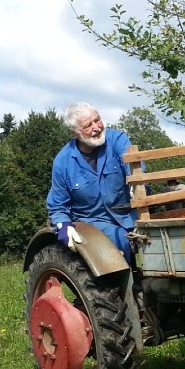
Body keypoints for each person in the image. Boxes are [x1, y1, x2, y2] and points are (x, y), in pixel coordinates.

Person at [47, 102, 137, 264]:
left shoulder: (117, 139)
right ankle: (127, 286)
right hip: (94, 221)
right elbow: (58, 204)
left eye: (97, 120)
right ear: (74, 133)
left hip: (130, 214)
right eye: (88, 125)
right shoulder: (63, 162)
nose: (96, 127)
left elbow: (132, 162)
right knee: (120, 241)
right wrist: (63, 225)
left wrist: (135, 182)